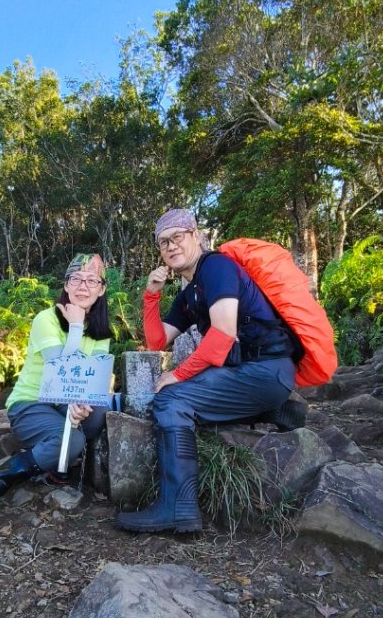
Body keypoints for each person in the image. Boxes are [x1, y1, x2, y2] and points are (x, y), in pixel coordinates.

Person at [115, 209, 299, 534]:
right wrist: (151, 294)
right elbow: (157, 341)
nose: (170, 246)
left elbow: (224, 333)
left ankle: (178, 507)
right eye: (162, 243)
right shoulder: (190, 295)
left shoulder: (216, 267)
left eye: (177, 237)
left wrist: (178, 374)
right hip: (255, 375)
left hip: (265, 369)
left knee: (172, 400)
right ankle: (275, 408)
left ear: (196, 235)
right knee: (186, 395)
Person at [0, 253, 112, 527]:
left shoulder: (101, 331)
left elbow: (91, 380)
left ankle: (57, 463)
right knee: (75, 441)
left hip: (64, 404)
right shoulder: (47, 319)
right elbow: (60, 370)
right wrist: (76, 325)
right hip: (32, 404)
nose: (83, 286)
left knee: (100, 409)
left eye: (92, 280)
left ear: (101, 290)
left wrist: (81, 406)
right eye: (76, 279)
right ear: (66, 285)